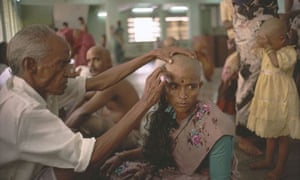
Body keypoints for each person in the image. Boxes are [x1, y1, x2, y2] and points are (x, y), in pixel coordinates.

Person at [0, 24, 194, 180]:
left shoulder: (41, 83)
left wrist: (150, 55)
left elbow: (99, 82)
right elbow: (92, 154)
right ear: (30, 65)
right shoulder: (24, 111)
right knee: (87, 157)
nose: (69, 72)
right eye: (61, 64)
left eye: (192, 86)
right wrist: (144, 102)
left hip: (36, 168)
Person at [100, 54, 238, 179]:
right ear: (163, 87)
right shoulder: (167, 111)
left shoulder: (217, 129)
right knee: (118, 170)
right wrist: (122, 156)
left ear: (200, 86)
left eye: (191, 87)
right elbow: (158, 150)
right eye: (174, 86)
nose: (183, 96)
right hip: (169, 171)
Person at [247, 17, 300, 180]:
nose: (265, 46)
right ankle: (269, 160)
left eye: (268, 41)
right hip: (268, 97)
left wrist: (269, 48)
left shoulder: (289, 52)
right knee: (271, 132)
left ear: (282, 39)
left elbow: (276, 63)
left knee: (283, 136)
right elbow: (253, 49)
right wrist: (260, 42)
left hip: (282, 98)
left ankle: (280, 168)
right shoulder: (267, 50)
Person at [65, 46, 141, 151]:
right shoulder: (101, 85)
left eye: (96, 59)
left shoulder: (113, 83)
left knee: (86, 120)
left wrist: (61, 133)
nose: (91, 65)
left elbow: (82, 113)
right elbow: (83, 98)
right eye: (88, 61)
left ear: (109, 62)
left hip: (131, 137)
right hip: (118, 135)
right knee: (72, 112)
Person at [232, 0, 279, 156]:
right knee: (250, 77)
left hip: (266, 16)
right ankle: (246, 137)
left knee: (268, 77)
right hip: (250, 17)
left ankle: (262, 133)